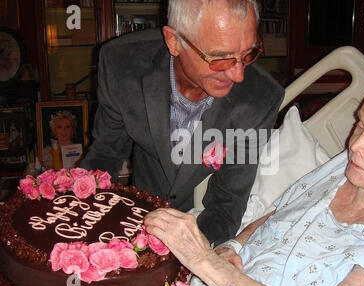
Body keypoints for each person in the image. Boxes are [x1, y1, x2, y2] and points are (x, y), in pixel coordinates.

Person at [144, 61, 364, 286]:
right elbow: (282, 212)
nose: (355, 145)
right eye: (360, 124)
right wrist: (234, 247)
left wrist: (204, 261)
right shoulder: (348, 167)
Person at [81, 0, 284, 245]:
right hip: (140, 210)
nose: (238, 75)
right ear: (174, 41)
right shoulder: (122, 65)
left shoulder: (260, 97)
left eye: (249, 54)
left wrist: (189, 258)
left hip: (203, 227)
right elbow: (105, 156)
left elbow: (227, 203)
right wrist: (83, 223)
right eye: (220, 59)